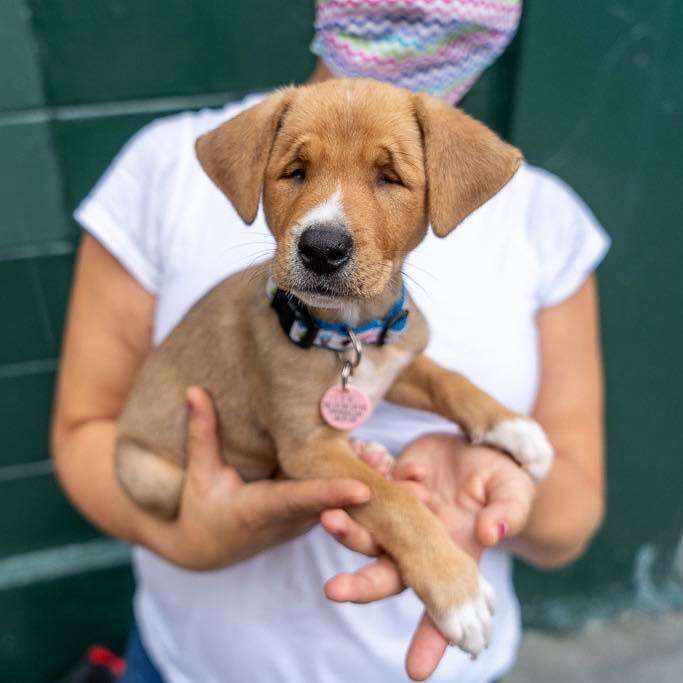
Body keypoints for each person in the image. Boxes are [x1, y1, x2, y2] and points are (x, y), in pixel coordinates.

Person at [51, 2, 609, 681]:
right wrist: (191, 538)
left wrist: (491, 468)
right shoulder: (164, 165)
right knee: (174, 467)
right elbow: (86, 433)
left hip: (449, 665)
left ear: (445, 191)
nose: (327, 226)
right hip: (192, 663)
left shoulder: (540, 220)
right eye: (296, 172)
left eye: (388, 177)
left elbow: (572, 514)